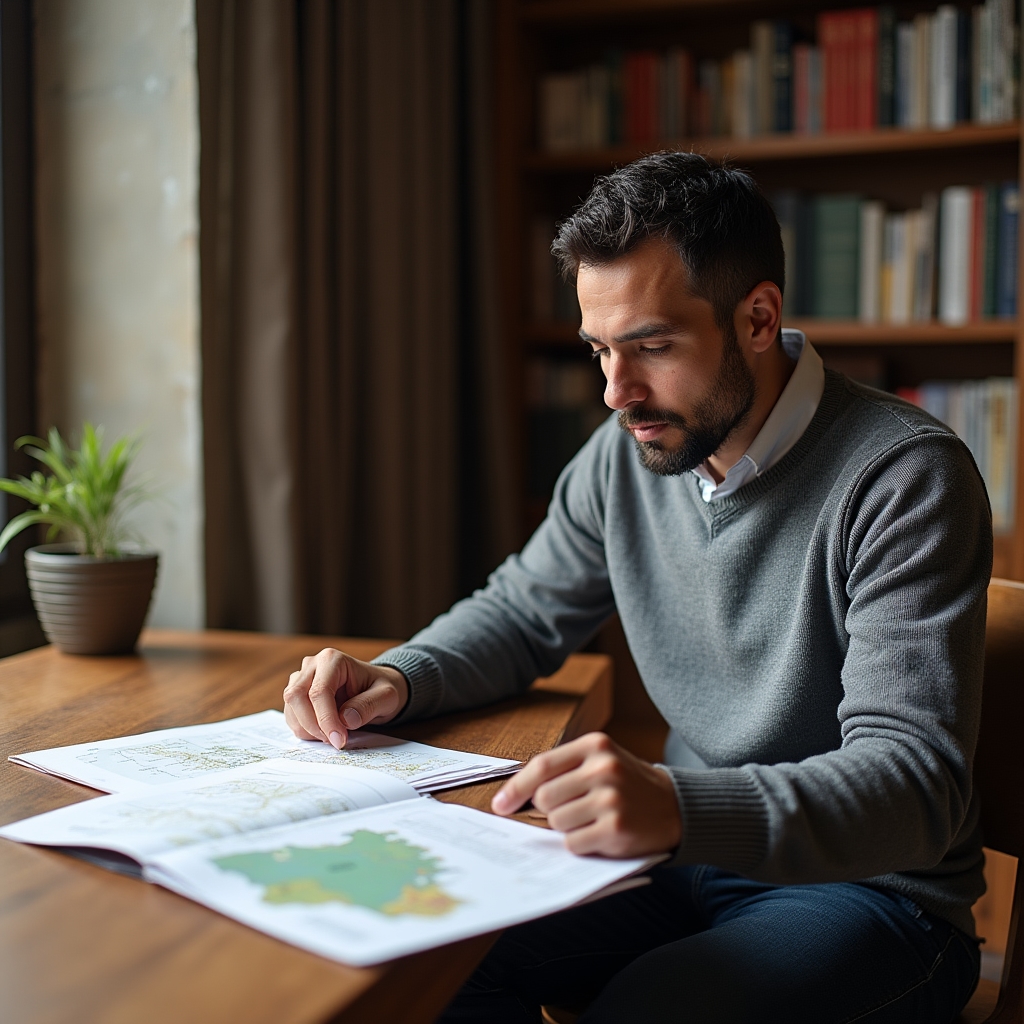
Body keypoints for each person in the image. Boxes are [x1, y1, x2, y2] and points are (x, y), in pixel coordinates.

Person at [283, 152, 989, 1023]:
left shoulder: (905, 477)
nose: (618, 393)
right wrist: (400, 677)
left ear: (758, 317)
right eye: (599, 350)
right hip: (680, 860)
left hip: (874, 899)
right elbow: (521, 612)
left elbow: (914, 786)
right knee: (426, 962)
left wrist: (679, 806)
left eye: (652, 346)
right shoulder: (630, 453)